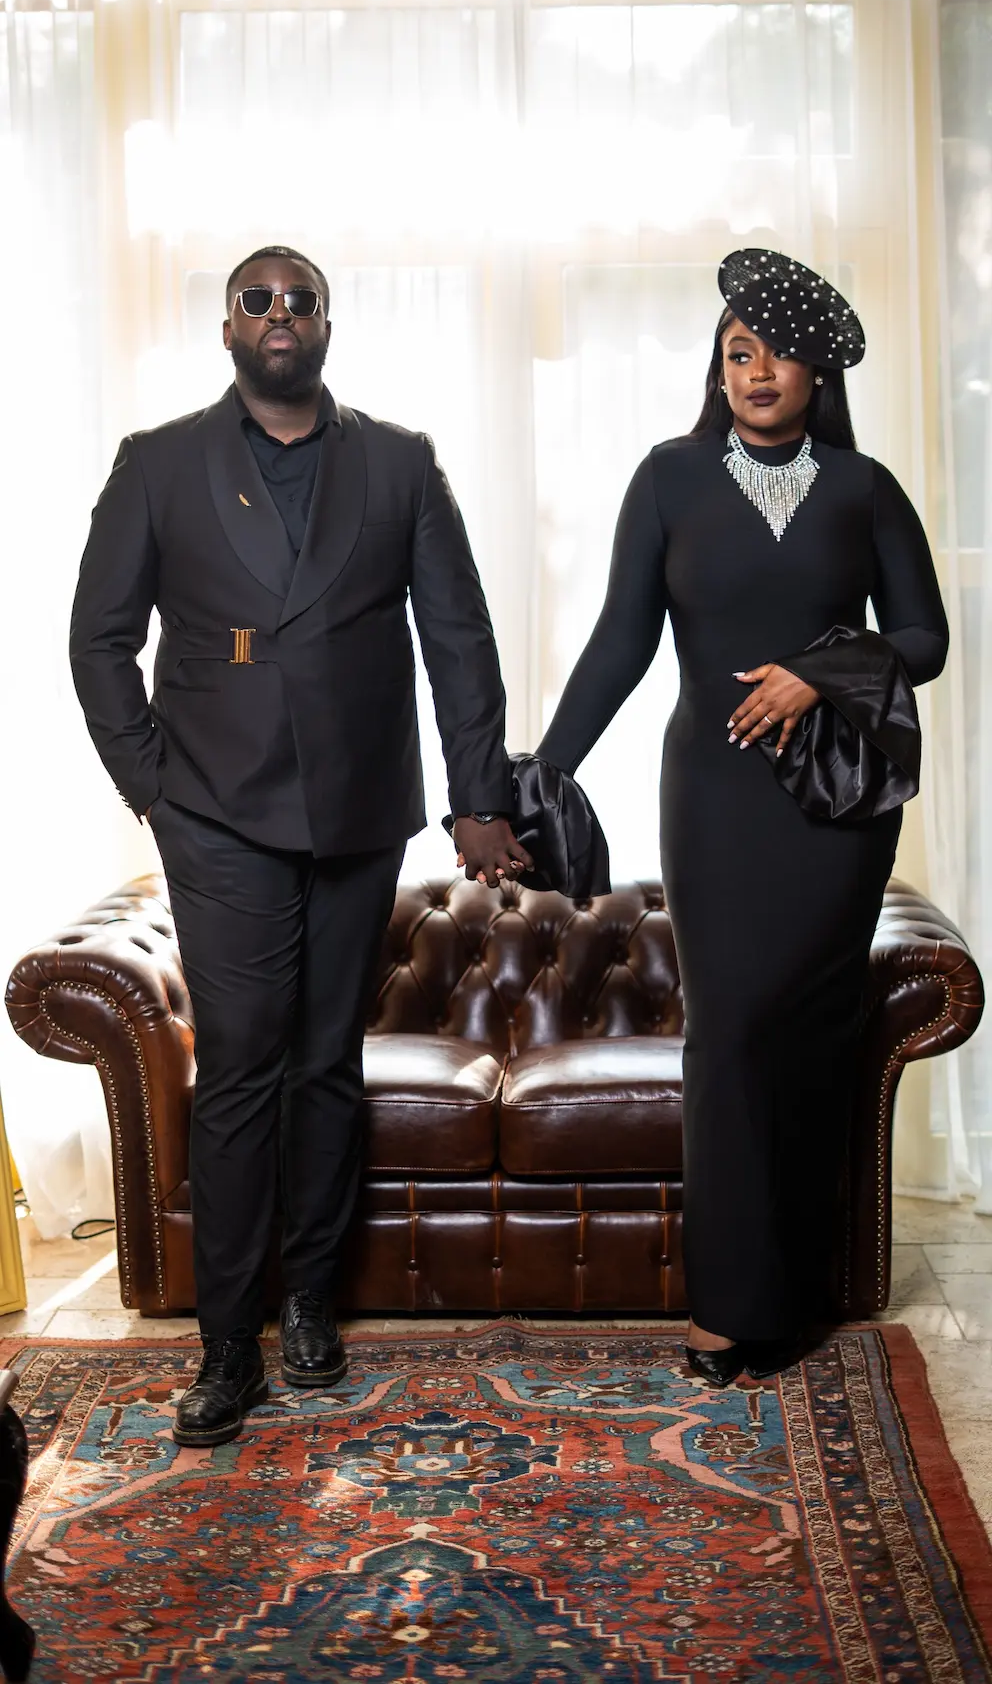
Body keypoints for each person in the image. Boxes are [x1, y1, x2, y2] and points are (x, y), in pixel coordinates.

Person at [70, 245, 532, 1444]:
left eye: (300, 300)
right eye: (257, 300)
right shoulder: (159, 462)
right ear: (227, 329)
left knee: (325, 1060)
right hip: (215, 807)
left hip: (356, 806)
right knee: (239, 1065)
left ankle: (313, 1298)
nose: (279, 314)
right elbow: (100, 639)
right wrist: (153, 785)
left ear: (328, 324)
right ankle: (229, 1341)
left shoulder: (399, 461)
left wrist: (477, 796)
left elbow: (459, 635)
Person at [536, 249, 948, 1385]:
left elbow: (924, 637)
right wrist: (544, 772)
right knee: (727, 1034)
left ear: (817, 374)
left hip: (835, 807)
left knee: (808, 1036)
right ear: (716, 369)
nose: (757, 372)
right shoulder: (667, 479)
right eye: (737, 352)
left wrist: (820, 671)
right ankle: (727, 1306)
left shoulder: (863, 488)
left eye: (778, 354)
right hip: (714, 800)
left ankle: (793, 1296)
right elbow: (621, 642)